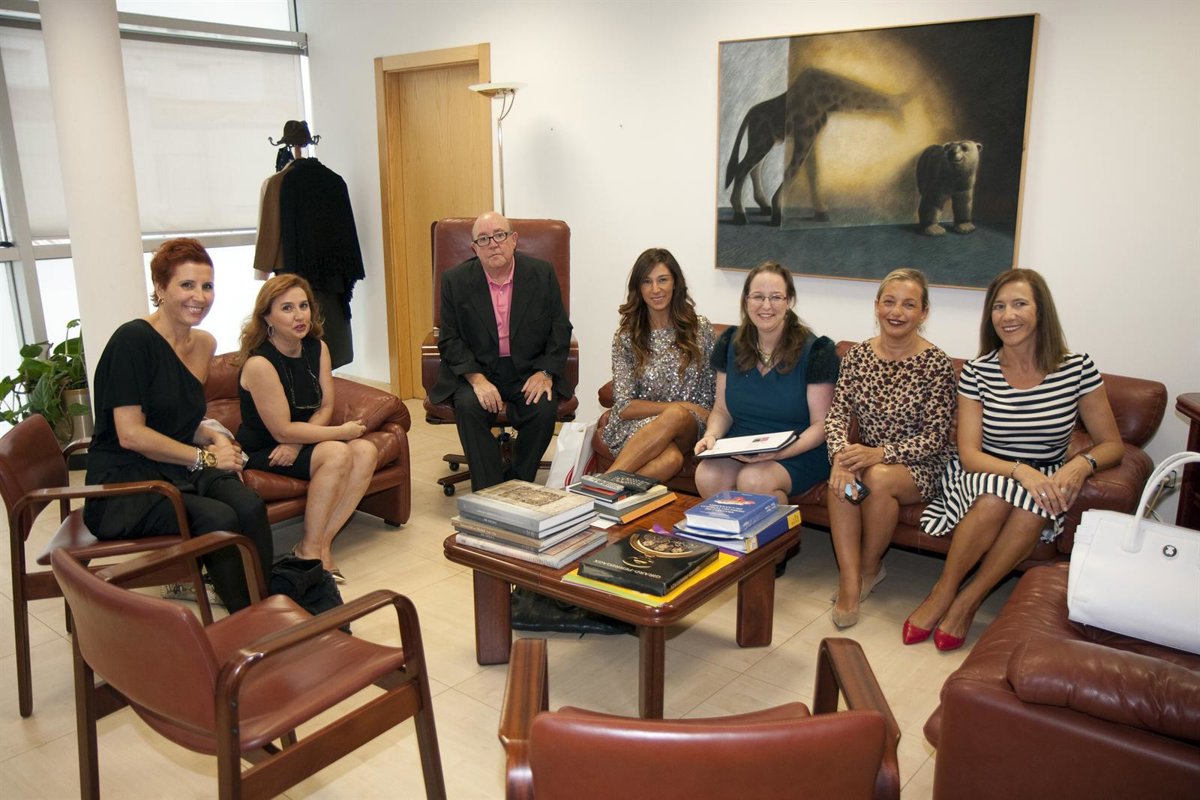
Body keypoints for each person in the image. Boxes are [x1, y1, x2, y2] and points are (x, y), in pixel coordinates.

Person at [906, 268, 1124, 651]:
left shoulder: (1077, 368)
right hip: (984, 470)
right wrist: (1021, 472)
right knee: (997, 497)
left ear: (1041, 311)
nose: (1008, 315)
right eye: (999, 307)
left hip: (1044, 475)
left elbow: (1112, 445)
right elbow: (970, 455)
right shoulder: (978, 372)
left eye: (1020, 304)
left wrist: (1079, 464)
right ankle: (943, 591)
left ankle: (968, 601)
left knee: (1033, 504)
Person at [83, 238, 273, 612]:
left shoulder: (203, 343)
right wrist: (206, 459)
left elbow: (178, 417)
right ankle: (247, 620)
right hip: (126, 484)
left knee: (249, 505)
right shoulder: (132, 341)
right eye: (187, 285)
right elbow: (131, 434)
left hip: (175, 467)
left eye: (207, 286)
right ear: (160, 288)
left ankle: (263, 605)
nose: (200, 297)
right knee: (219, 517)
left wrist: (214, 436)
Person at [824, 268, 956, 629]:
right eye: (889, 302)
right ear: (877, 306)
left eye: (909, 305)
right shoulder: (857, 356)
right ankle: (850, 579)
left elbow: (936, 437)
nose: (896, 312)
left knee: (877, 477)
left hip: (923, 463)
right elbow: (836, 415)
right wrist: (840, 455)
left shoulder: (936, 364)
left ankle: (870, 569)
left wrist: (879, 454)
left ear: (923, 313)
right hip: (867, 457)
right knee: (842, 477)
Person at [236, 274, 377, 582]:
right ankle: (312, 550)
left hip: (300, 440)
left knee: (366, 450)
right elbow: (282, 431)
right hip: (266, 449)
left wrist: (299, 443)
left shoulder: (317, 348)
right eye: (287, 308)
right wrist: (339, 433)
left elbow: (325, 406)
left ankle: (317, 544)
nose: (299, 315)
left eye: (303, 306)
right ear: (267, 317)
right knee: (338, 453)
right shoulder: (260, 363)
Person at [428, 211, 572, 491]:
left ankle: (518, 483)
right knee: (468, 406)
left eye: (499, 235)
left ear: (513, 240)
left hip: (528, 369)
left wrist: (545, 372)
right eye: (483, 239)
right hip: (477, 368)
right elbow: (450, 338)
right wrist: (476, 379)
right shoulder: (455, 281)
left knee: (543, 408)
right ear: (474, 248)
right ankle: (489, 491)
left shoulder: (541, 274)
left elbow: (560, 328)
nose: (493, 243)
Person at [694, 261, 839, 504]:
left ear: (789, 301)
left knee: (754, 480)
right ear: (746, 300)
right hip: (743, 443)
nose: (766, 306)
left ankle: (777, 531)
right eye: (758, 297)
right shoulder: (729, 343)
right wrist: (711, 436)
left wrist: (780, 452)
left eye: (776, 297)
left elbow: (820, 425)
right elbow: (721, 410)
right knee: (707, 475)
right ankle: (734, 530)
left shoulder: (817, 351)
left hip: (798, 449)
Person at [601, 248, 716, 482]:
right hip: (637, 425)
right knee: (671, 460)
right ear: (638, 288)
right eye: (647, 282)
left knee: (677, 414)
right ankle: (611, 494)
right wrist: (682, 405)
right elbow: (624, 406)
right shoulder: (626, 337)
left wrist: (690, 412)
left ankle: (601, 484)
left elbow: (716, 390)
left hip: (691, 425)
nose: (656, 289)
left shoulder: (700, 328)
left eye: (663, 280)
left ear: (675, 283)